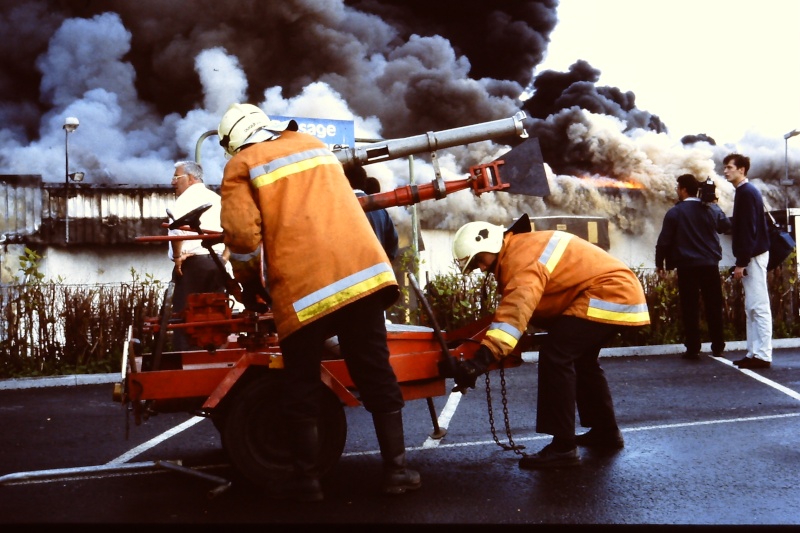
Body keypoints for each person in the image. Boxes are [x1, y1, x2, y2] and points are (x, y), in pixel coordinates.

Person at [217, 103, 419, 501]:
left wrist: (248, 285)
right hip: (363, 276)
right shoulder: (314, 145)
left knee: (301, 382)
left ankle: (307, 480)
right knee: (375, 372)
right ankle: (397, 471)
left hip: (304, 289)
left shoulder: (241, 166)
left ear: (233, 141)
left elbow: (241, 241)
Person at [451, 214, 650, 469]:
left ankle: (564, 448)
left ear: (489, 245)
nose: (480, 268)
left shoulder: (519, 259)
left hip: (609, 294)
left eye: (479, 260)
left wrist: (481, 360)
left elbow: (514, 312)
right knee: (582, 360)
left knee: (556, 355)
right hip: (618, 292)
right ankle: (605, 432)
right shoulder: (521, 246)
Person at [655, 174, 731, 360]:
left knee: (690, 307)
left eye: (677, 188)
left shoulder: (675, 212)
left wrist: (660, 264)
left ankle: (693, 348)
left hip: (687, 266)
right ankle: (718, 346)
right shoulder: (710, 208)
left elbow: (664, 241)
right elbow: (726, 226)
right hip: (709, 265)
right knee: (713, 305)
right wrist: (714, 204)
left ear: (682, 189)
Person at [167, 160, 227, 351]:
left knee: (185, 313)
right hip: (217, 261)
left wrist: (177, 258)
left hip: (192, 264)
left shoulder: (184, 201)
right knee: (216, 311)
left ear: (190, 178)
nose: (172, 182)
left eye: (176, 177)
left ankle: (187, 354)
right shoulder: (216, 198)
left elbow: (176, 232)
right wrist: (224, 258)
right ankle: (215, 351)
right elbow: (233, 230)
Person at [723, 153, 772, 369]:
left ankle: (762, 355)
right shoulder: (744, 192)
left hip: (753, 256)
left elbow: (749, 230)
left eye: (729, 167)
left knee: (758, 306)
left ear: (742, 169)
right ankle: (754, 352)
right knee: (752, 306)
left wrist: (742, 262)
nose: (725, 171)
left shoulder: (746, 193)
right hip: (752, 254)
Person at [344, 164, 399, 261]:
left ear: (346, 181)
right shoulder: (381, 211)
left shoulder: (343, 207)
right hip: (381, 271)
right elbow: (393, 243)